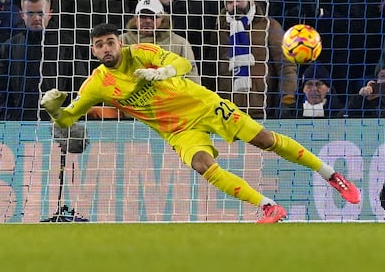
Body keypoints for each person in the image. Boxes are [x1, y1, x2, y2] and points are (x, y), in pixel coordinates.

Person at [40, 22, 361, 223]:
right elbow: (68, 118)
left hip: (202, 105)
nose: (107, 48)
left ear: (119, 43)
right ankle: (267, 207)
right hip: (177, 130)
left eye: (111, 41)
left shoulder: (142, 52)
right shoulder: (96, 83)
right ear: (93, 51)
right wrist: (55, 109)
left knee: (264, 140)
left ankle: (332, 176)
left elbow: (180, 61)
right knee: (202, 165)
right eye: (100, 45)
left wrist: (162, 71)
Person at [214, 0, 297, 119]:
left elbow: (286, 64)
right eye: (230, 1)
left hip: (262, 110)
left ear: (250, 1)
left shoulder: (269, 25)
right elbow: (212, 68)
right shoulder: (219, 29)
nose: (234, 4)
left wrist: (287, 98)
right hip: (228, 112)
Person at [120, 0, 201, 85]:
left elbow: (192, 77)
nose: (147, 21)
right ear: (135, 19)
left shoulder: (179, 43)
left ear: (162, 19)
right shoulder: (122, 41)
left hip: (170, 94)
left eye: (153, 17)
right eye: (142, 16)